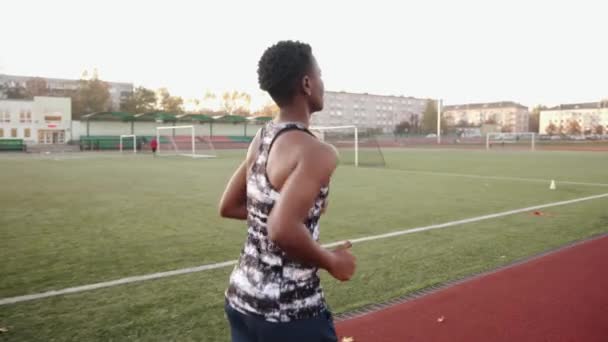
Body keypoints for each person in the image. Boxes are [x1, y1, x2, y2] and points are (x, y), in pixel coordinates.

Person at [219, 40, 356, 342]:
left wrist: (290, 221)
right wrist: (334, 261)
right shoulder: (317, 152)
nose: (323, 82)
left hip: (241, 299)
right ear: (307, 83)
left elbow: (229, 205)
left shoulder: (261, 138)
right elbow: (281, 228)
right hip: (290, 315)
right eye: (319, 74)